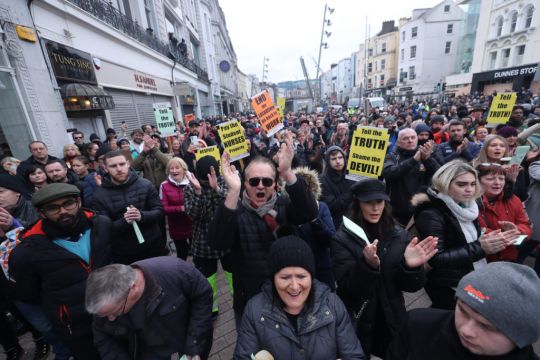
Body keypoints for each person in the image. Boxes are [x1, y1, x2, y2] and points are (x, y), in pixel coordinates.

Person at [207, 137, 318, 325]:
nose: (260, 185)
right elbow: (217, 243)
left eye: (267, 181)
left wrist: (287, 172)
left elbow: (310, 212)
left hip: (287, 298)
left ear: (275, 184)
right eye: (254, 181)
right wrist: (233, 192)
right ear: (245, 183)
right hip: (249, 302)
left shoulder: (284, 205)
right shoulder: (235, 210)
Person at [331, 179, 438, 358]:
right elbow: (348, 289)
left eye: (379, 202)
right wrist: (367, 266)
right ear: (358, 203)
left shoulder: (399, 234)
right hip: (361, 318)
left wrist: (411, 267)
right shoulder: (342, 239)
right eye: (368, 202)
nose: (375, 208)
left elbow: (410, 286)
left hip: (392, 316)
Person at [8, 183, 112, 359]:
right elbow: (29, 294)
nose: (63, 211)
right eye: (53, 208)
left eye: (68, 204)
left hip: (112, 310)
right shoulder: (27, 251)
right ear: (42, 213)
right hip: (75, 324)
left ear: (78, 202)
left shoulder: (101, 225)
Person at [234, 235, 365, 360]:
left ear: (311, 277)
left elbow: (354, 354)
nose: (295, 286)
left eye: (301, 276)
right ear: (273, 279)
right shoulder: (254, 310)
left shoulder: (333, 305)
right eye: (285, 277)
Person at [412, 160, 520, 310]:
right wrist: (481, 247)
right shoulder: (431, 213)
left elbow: (464, 237)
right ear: (445, 183)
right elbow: (436, 257)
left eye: (472, 184)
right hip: (446, 283)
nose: (469, 189)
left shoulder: (468, 205)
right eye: (461, 184)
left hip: (468, 276)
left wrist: (497, 235)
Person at [392, 262, 540, 360]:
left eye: (486, 326)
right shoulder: (417, 325)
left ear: (522, 335)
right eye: (463, 310)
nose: (466, 331)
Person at [85, 257, 214, 360]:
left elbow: (202, 297)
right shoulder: (105, 306)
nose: (111, 319)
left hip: (187, 337)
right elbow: (104, 339)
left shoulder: (176, 271)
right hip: (149, 351)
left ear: (133, 288)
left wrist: (194, 344)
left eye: (115, 312)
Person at [92, 150, 167, 264]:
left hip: (153, 246)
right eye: (113, 166)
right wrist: (124, 222)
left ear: (128, 164)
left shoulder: (145, 184)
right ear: (105, 168)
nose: (119, 169)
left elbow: (159, 211)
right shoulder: (99, 195)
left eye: (122, 164)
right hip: (125, 253)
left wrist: (141, 216)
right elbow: (103, 230)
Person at [184, 155, 232, 316]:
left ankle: (237, 298)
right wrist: (199, 192)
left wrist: (217, 189)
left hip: (226, 241)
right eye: (204, 181)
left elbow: (232, 206)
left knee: (233, 275)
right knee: (207, 279)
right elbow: (193, 215)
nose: (207, 183)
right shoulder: (190, 188)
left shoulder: (223, 182)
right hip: (203, 243)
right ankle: (212, 307)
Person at [476, 163, 532, 262]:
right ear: (478, 181)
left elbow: (527, 226)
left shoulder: (514, 199)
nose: (497, 183)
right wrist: (502, 234)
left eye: (501, 179)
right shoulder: (471, 203)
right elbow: (475, 230)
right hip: (482, 260)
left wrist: (517, 231)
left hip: (509, 259)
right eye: (490, 179)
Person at [383, 129, 440, 225]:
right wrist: (413, 160)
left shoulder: (426, 154)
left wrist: (427, 159)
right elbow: (389, 174)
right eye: (405, 138)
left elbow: (440, 175)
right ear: (398, 142)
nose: (410, 140)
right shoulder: (392, 157)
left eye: (413, 137)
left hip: (422, 210)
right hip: (397, 212)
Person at [294, 166, 336, 290]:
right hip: (298, 270)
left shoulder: (322, 207)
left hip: (322, 269)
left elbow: (331, 239)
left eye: (306, 187)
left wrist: (314, 219)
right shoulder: (288, 209)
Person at [159, 157, 192, 260]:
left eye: (177, 168)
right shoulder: (164, 186)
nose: (174, 171)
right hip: (176, 226)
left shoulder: (192, 182)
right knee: (182, 254)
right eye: (171, 168)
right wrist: (180, 208)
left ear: (183, 169)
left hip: (193, 225)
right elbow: (163, 208)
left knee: (197, 253)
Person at [320, 145, 355, 228]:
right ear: (328, 161)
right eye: (333, 159)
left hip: (355, 219)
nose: (338, 161)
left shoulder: (352, 176)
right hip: (337, 223)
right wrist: (352, 192)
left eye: (340, 157)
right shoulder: (322, 180)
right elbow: (333, 205)